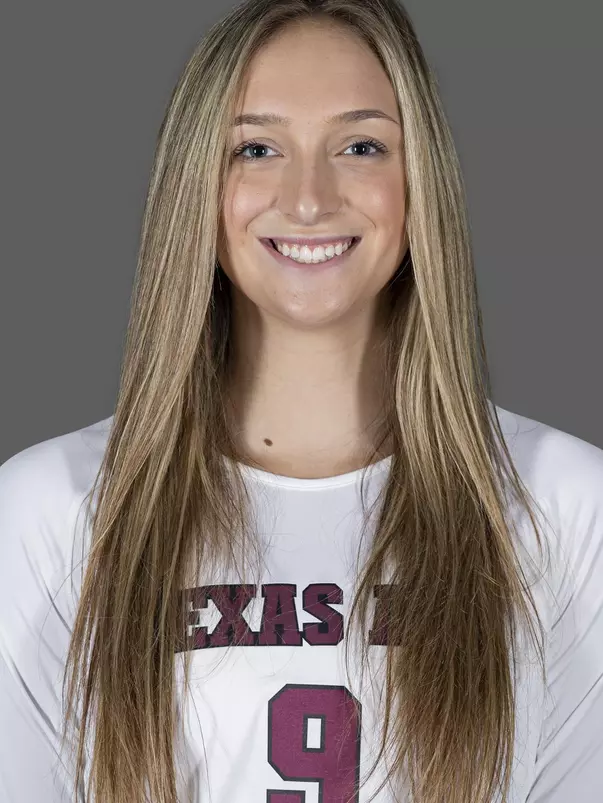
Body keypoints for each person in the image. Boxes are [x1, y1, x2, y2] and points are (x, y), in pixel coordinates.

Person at [1, 0, 602, 801]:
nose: (309, 198)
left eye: (360, 146)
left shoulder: (564, 504)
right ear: (196, 190)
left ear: (418, 178)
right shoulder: (52, 510)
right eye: (256, 148)